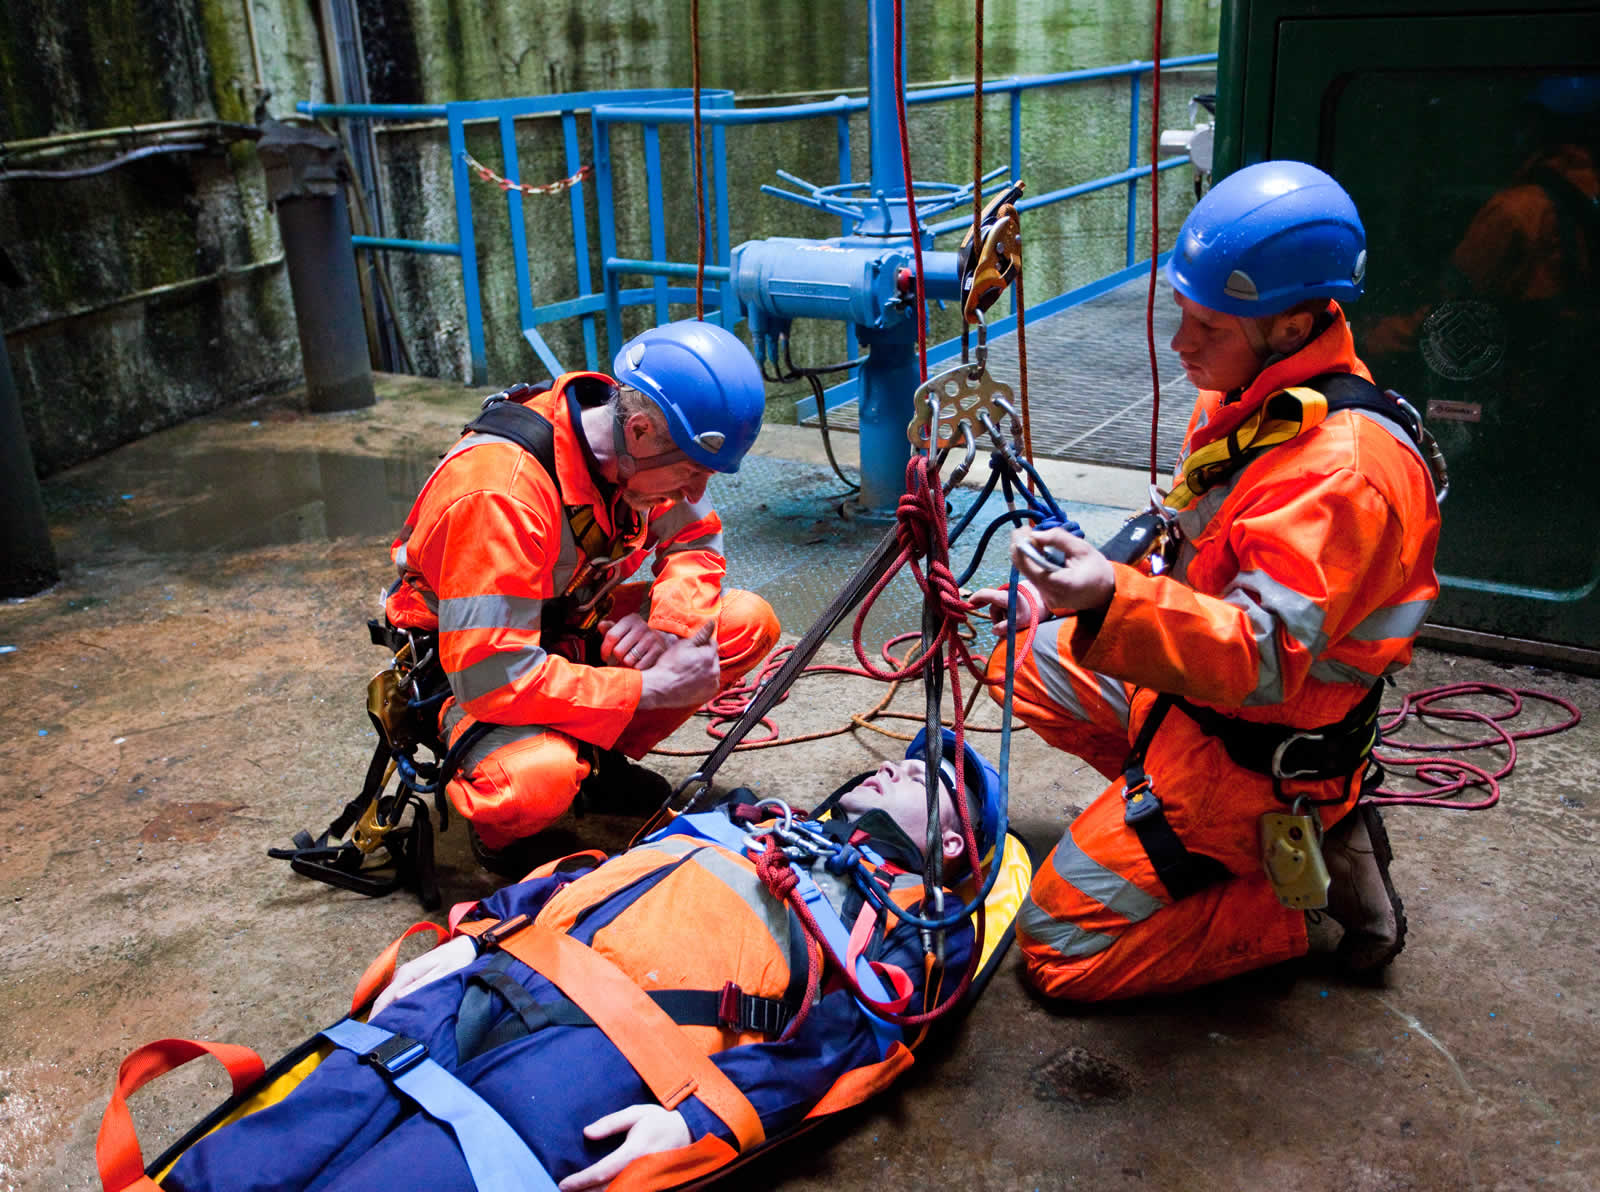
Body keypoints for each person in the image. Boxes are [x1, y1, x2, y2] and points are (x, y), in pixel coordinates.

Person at [972, 160, 1442, 1001]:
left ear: (1293, 327)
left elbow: (1261, 657)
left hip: (1262, 744)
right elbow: (1182, 532)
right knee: (1017, 655)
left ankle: (1295, 899)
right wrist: (1060, 594)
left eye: (1209, 328)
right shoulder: (1250, 400)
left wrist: (1109, 601)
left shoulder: (1343, 475)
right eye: (1182, 317)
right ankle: (1173, 826)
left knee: (1057, 945)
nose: (1181, 346)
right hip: (1200, 700)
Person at [158, 733, 997, 1192]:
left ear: (953, 840)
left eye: (919, 777)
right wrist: (474, 934)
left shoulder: (914, 925)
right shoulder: (749, 820)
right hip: (502, 974)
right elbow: (592, 878)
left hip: (615, 1051)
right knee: (284, 1135)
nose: (891, 762)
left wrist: (706, 1121)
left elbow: (853, 1046)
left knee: (429, 1175)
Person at [381, 319, 782, 873]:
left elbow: (695, 536)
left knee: (741, 623)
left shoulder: (628, 453)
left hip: (566, 630)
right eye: (690, 472)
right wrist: (645, 687)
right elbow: (493, 676)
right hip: (468, 674)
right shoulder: (500, 494)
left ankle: (596, 761)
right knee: (533, 783)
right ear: (638, 430)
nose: (695, 492)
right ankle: (504, 830)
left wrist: (664, 623)